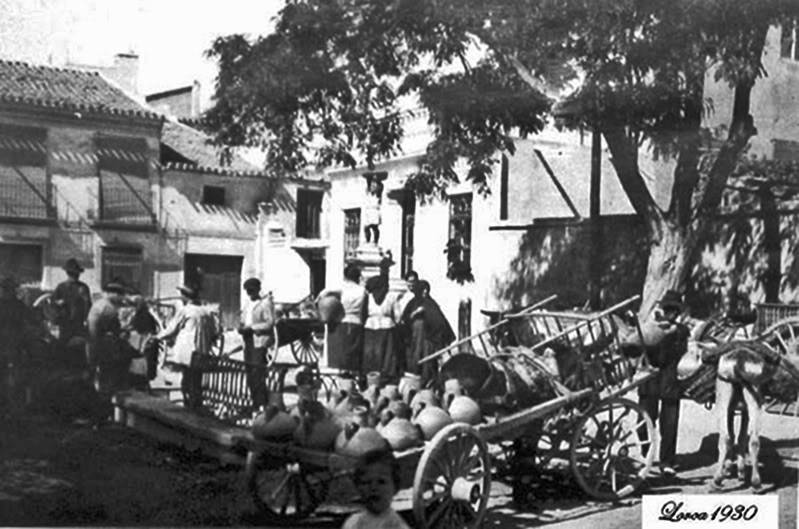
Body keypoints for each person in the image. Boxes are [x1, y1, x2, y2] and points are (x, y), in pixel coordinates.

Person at [638, 289, 690, 477]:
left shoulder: (681, 331)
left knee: (669, 424)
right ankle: (647, 454)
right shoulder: (651, 328)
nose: (672, 313)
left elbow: (683, 352)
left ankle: (667, 461)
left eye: (675, 311)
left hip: (669, 380)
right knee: (644, 419)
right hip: (650, 379)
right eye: (669, 309)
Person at [157, 285, 218, 410]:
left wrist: (158, 337)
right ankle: (196, 403)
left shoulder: (185, 311)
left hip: (188, 350)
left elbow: (172, 328)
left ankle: (189, 404)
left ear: (186, 298)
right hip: (202, 350)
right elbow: (214, 332)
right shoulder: (206, 311)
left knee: (187, 379)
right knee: (197, 378)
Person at [86, 280, 136, 414]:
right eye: (120, 295)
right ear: (112, 294)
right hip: (105, 350)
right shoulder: (109, 309)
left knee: (99, 381)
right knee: (109, 382)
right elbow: (115, 331)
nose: (121, 298)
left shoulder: (98, 305)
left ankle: (99, 412)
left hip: (94, 345)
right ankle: (106, 412)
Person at [401, 280, 456, 386]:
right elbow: (405, 318)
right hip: (416, 339)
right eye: (423, 290)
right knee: (416, 357)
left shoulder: (430, 303)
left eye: (427, 289)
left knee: (428, 361)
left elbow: (439, 321)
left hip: (428, 338)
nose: (425, 292)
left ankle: (428, 380)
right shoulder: (412, 303)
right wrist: (415, 314)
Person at [342, 449, 410, 529]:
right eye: (366, 482)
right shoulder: (353, 523)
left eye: (381, 482)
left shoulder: (397, 525)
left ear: (395, 487)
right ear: (358, 487)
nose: (373, 488)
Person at [320, 264, 366, 374]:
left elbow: (323, 293)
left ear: (345, 276)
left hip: (341, 321)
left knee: (341, 353)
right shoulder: (362, 290)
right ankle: (354, 378)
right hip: (356, 322)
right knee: (353, 354)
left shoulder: (341, 288)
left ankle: (342, 377)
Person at [363, 255, 401, 382]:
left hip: (370, 326)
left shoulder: (368, 297)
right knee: (386, 354)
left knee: (371, 354)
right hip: (386, 326)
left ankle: (371, 376)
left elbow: (364, 312)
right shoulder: (391, 297)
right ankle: (385, 376)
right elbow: (398, 315)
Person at [239, 278, 275, 409]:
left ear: (258, 290)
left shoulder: (265, 303)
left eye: (252, 291)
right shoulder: (248, 304)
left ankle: (262, 404)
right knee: (249, 373)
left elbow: (270, 323)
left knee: (257, 373)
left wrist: (253, 327)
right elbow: (244, 319)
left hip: (259, 341)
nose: (250, 294)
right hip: (248, 340)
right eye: (248, 291)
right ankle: (255, 402)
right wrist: (242, 327)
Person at [0, 277, 32, 417]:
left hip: (7, 345)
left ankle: (7, 407)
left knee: (6, 376)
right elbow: (29, 321)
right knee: (14, 376)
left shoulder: (15, 305)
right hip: (14, 345)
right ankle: (13, 407)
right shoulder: (18, 305)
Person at [52, 258, 92, 367]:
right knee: (69, 350)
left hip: (74, 324)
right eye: (73, 274)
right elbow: (53, 305)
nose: (75, 276)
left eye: (75, 274)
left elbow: (88, 306)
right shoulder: (63, 288)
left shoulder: (81, 288)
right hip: (68, 325)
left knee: (74, 349)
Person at [363, 179, 383, 245]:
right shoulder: (368, 194)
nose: (372, 187)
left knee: (374, 227)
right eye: (371, 186)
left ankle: (375, 241)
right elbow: (367, 188)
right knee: (366, 227)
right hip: (369, 212)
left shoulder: (378, 195)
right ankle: (367, 240)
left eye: (374, 186)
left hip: (375, 211)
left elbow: (381, 187)